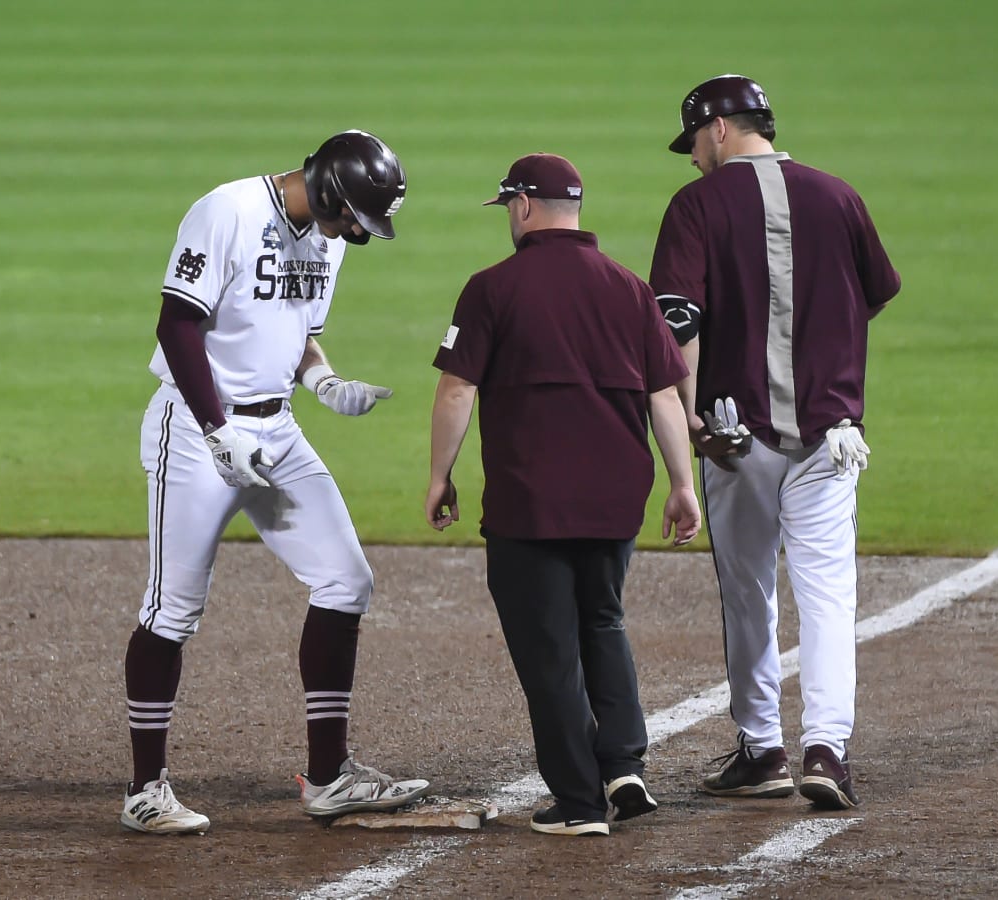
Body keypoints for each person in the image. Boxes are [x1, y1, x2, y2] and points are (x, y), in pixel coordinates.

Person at [121, 130, 429, 835]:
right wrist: (216, 428)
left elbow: (298, 333)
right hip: (197, 431)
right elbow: (176, 325)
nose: (360, 233)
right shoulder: (225, 211)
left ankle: (329, 778)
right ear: (328, 192)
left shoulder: (331, 238)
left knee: (347, 580)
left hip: (277, 430)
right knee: (172, 609)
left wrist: (324, 380)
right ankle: (145, 790)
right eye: (356, 217)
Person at [426, 153, 702, 836]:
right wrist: (682, 483)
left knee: (549, 646)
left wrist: (441, 475)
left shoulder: (492, 288)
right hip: (615, 499)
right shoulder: (629, 288)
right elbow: (663, 394)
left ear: (522, 206)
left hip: (530, 503)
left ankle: (580, 803)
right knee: (602, 621)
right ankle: (624, 764)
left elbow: (458, 388)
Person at [649, 75, 901, 810]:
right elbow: (874, 292)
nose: (693, 157)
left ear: (720, 130)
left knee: (748, 591)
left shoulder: (696, 205)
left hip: (736, 437)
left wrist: (691, 418)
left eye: (694, 141)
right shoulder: (838, 195)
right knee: (828, 596)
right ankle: (827, 748)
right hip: (832, 436)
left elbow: (678, 326)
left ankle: (762, 751)